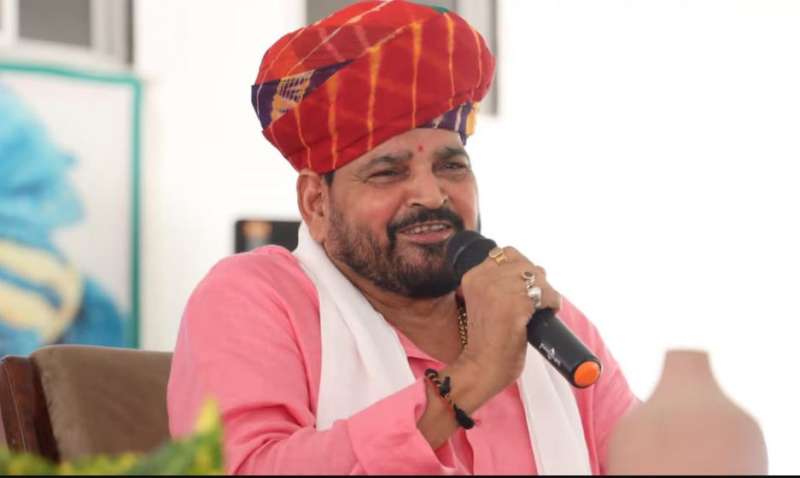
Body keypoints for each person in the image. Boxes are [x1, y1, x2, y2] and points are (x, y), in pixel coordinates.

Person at [167, 1, 637, 474]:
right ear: (316, 203)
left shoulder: (531, 314)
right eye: (388, 172)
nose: (431, 195)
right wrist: (475, 376)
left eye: (450, 166)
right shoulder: (255, 297)